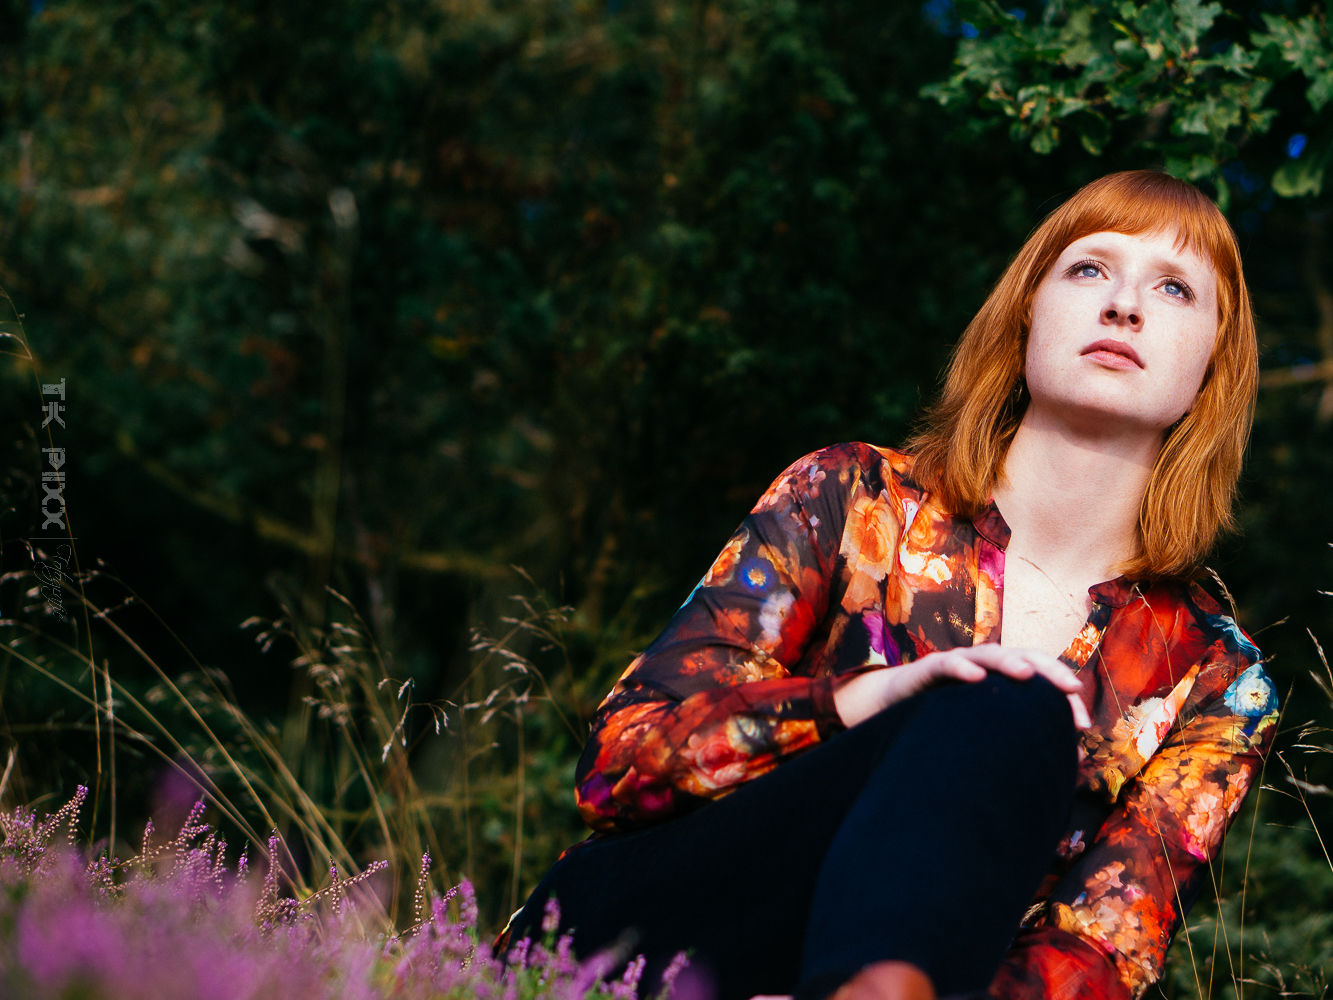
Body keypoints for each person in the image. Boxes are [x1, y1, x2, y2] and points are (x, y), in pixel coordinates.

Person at [502, 170, 1280, 1000]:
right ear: (1029, 312)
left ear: (1213, 364)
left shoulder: (1218, 678)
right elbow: (616, 766)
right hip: (647, 938)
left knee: (1008, 714)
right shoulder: (848, 497)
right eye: (1089, 269)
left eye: (1173, 287)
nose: (1123, 305)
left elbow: (1101, 950)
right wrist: (865, 700)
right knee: (1005, 703)